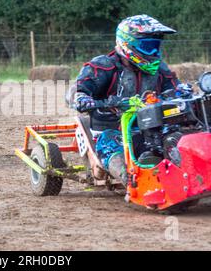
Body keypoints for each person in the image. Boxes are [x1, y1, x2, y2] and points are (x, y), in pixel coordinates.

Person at [73, 14, 182, 184]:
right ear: (127, 44)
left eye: (156, 47)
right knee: (111, 145)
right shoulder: (103, 66)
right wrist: (91, 100)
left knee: (178, 136)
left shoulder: (160, 69)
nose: (154, 52)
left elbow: (175, 89)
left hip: (150, 127)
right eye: (148, 47)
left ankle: (188, 171)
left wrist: (181, 93)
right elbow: (79, 95)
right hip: (111, 128)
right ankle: (131, 181)